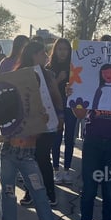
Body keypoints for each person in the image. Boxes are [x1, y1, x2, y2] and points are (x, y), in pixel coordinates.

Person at [15, 41, 62, 206]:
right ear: (33, 55)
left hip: (48, 125)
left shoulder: (49, 75)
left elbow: (57, 99)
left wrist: (60, 117)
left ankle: (50, 193)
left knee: (42, 157)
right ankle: (30, 192)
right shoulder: (19, 74)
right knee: (28, 159)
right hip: (26, 126)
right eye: (43, 53)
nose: (46, 56)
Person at [47, 38, 77, 184]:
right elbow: (45, 89)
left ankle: (67, 170)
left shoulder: (75, 66)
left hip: (71, 105)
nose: (62, 52)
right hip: (55, 105)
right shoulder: (49, 67)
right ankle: (56, 170)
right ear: (55, 50)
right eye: (60, 49)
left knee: (70, 137)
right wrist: (58, 79)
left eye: (65, 49)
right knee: (56, 138)